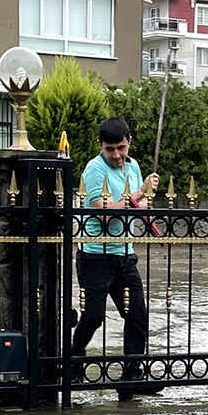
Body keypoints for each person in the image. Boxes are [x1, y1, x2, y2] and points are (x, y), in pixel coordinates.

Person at [72, 118, 161, 399]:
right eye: (110, 149)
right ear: (101, 145)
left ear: (129, 142)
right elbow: (104, 215)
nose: (116, 155)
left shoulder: (133, 166)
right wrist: (138, 195)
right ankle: (72, 364)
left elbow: (139, 207)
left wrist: (145, 199)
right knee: (94, 316)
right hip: (95, 256)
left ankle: (132, 375)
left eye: (121, 148)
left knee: (137, 315)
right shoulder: (94, 169)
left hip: (125, 255)